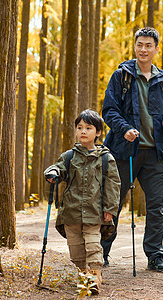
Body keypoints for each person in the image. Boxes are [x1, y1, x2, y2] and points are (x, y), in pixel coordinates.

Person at [101, 27, 163, 272]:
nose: (143, 49)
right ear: (135, 47)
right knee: (112, 204)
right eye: (140, 45)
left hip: (154, 152)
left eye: (148, 45)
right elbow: (109, 110)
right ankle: (100, 252)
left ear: (156, 49)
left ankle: (155, 256)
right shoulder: (121, 76)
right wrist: (123, 128)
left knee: (156, 207)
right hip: (124, 152)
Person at [44, 109, 120, 293]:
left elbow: (113, 184)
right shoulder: (69, 156)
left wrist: (109, 208)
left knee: (94, 246)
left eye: (88, 127)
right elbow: (59, 168)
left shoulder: (106, 158)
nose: (83, 131)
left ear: (98, 132)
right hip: (71, 212)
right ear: (76, 131)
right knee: (76, 250)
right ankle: (83, 274)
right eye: (80, 128)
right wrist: (52, 172)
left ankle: (94, 278)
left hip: (94, 211)